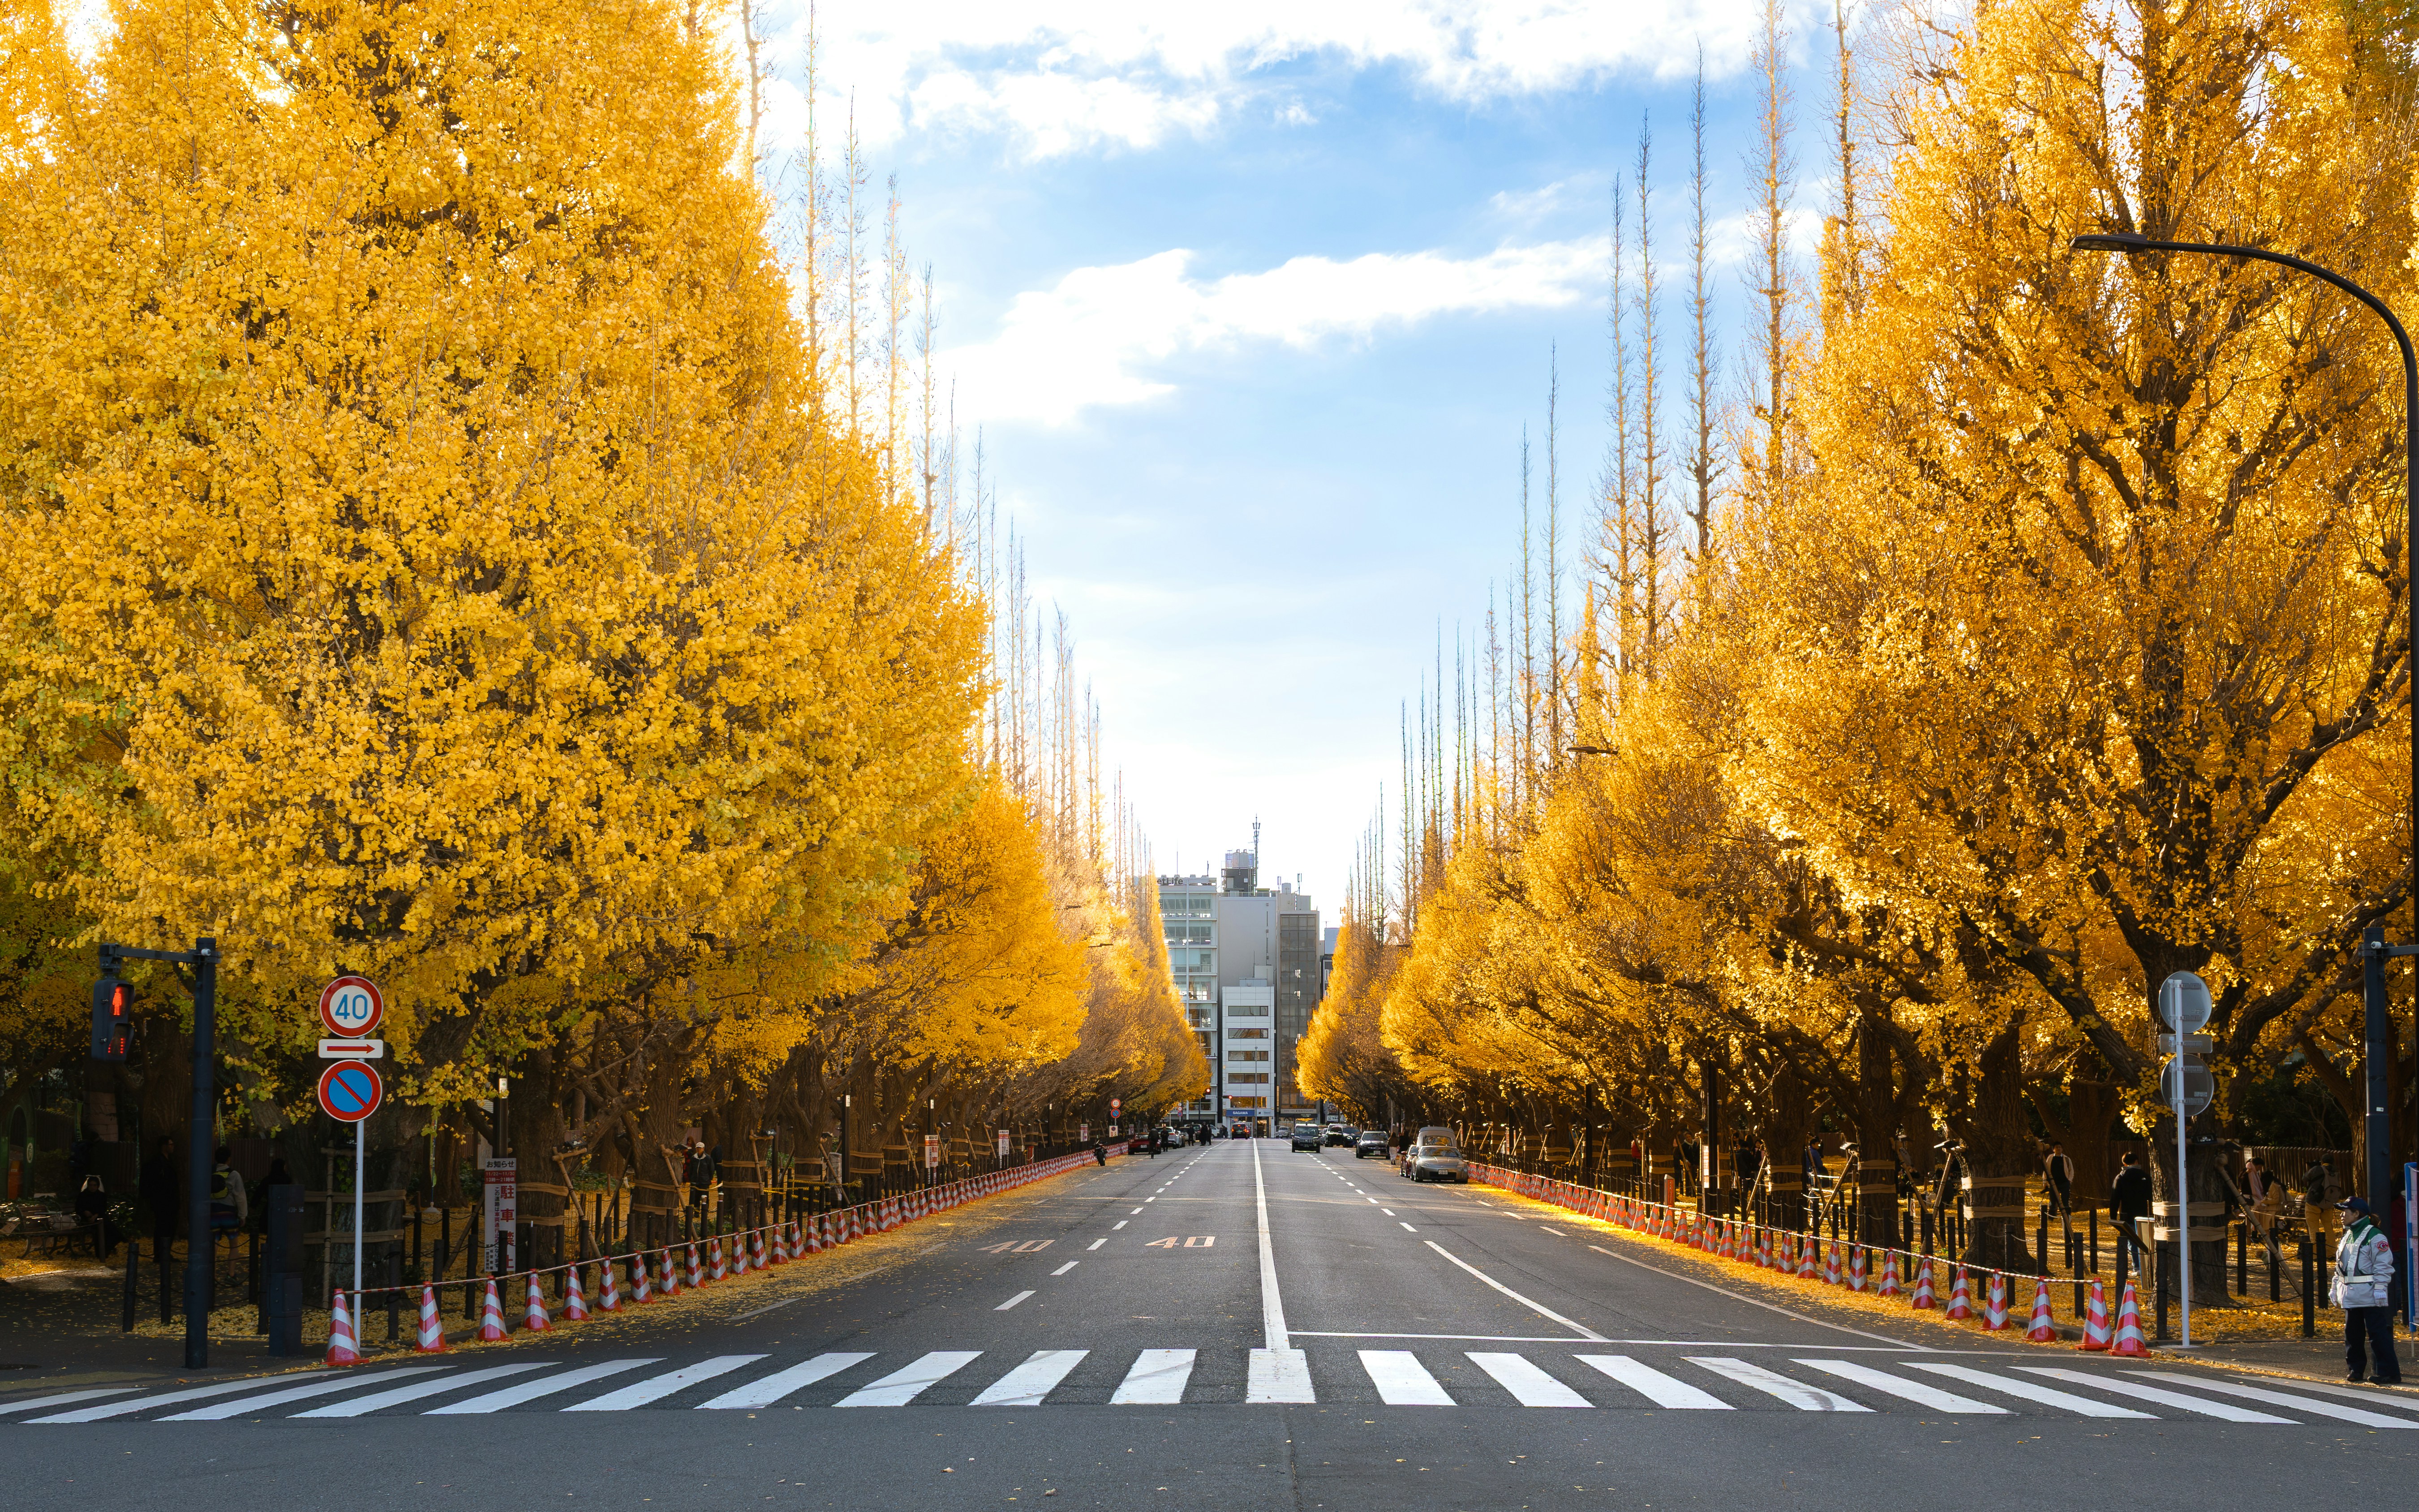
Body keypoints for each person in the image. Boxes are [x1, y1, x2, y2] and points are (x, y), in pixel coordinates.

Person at [2332, 1196, 2403, 1385]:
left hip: (2370, 1294)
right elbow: (2340, 1266)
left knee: (2378, 1335)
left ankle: (2390, 1373)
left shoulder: (2375, 1235)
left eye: (2345, 1212)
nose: (2341, 1215)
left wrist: (2380, 1288)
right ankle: (2356, 1370)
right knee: (2352, 1335)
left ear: (2357, 1214)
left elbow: (2384, 1265)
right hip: (2351, 1294)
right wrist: (2334, 1287)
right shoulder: (2348, 1234)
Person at [2110, 1149, 2153, 1267]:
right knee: (2145, 1241)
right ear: (2136, 1162)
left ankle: (2137, 1267)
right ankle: (2148, 1266)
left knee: (2132, 1241)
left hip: (2127, 1215)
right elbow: (2151, 1196)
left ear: (2124, 1164)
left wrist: (2113, 1217)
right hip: (2145, 1214)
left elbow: (2115, 1198)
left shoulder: (2120, 1178)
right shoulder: (2145, 1177)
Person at [138, 1135, 178, 1257]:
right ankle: (160, 1253)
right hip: (162, 1200)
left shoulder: (167, 1160)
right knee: (163, 1226)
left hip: (169, 1199)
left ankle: (164, 1252)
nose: (173, 1147)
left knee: (169, 1226)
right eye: (170, 1145)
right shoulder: (157, 1162)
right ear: (164, 1146)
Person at [207, 1145, 246, 1240]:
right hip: (229, 1212)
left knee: (213, 1243)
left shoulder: (209, 1173)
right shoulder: (234, 1174)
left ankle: (213, 1256)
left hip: (212, 1212)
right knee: (234, 1245)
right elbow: (240, 1197)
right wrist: (243, 1215)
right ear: (229, 1159)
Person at [75, 1175, 114, 1259]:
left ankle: (107, 1249)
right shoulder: (83, 1195)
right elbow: (78, 1208)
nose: (92, 1187)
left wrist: (95, 1216)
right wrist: (85, 1213)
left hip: (99, 1217)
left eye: (95, 1185)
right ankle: (101, 1252)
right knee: (101, 1227)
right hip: (86, 1219)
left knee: (108, 1226)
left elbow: (102, 1209)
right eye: (91, 1185)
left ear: (98, 1186)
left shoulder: (101, 1196)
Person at [2043, 1142, 2074, 1215]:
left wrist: (2069, 1181)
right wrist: (2045, 1182)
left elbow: (2071, 1170)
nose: (2059, 1149)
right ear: (2054, 1149)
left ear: (2062, 1149)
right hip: (2053, 1183)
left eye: (2060, 1147)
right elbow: (2046, 1170)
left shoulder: (2067, 1159)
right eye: (2057, 1147)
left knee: (2065, 1200)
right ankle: (2052, 1217)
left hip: (2064, 1183)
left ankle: (2067, 1216)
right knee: (2053, 1201)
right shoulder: (2050, 1158)